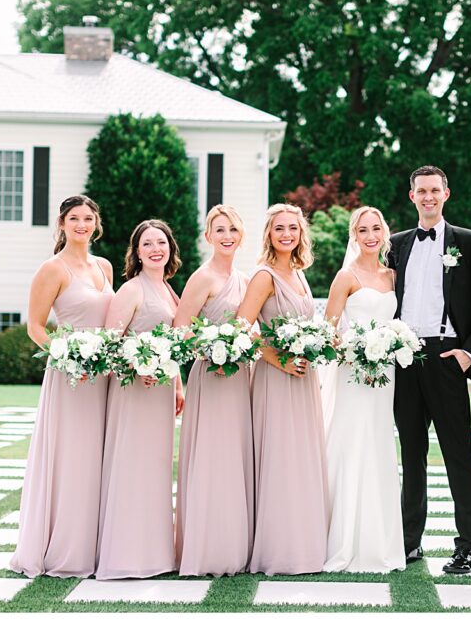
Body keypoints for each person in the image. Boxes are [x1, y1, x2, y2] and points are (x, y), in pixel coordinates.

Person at [388, 165, 471, 574]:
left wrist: (468, 353)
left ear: (446, 194)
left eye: (435, 190)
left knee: (458, 455)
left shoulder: (469, 243)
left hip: (448, 359)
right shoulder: (396, 244)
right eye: (422, 191)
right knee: (411, 455)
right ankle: (408, 542)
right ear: (412, 195)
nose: (429, 197)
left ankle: (467, 545)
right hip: (404, 360)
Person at [10, 195, 114, 578]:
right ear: (62, 223)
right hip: (71, 376)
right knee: (72, 457)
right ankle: (63, 549)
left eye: (88, 218)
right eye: (74, 218)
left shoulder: (104, 267)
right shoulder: (52, 269)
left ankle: (95, 545)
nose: (82, 225)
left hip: (104, 375)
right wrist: (69, 356)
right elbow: (35, 327)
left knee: (99, 458)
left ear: (96, 223)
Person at [237, 203, 329, 575]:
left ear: (300, 233)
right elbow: (242, 327)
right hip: (276, 378)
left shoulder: (298, 273)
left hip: (304, 380)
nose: (287, 234)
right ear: (269, 235)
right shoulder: (264, 276)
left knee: (300, 458)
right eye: (279, 229)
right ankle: (278, 550)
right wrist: (279, 360)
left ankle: (304, 542)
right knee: (279, 458)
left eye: (293, 227)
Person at [95, 219, 185, 580]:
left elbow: (175, 342)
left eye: (160, 242)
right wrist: (136, 366)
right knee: (133, 466)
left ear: (170, 248)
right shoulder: (131, 290)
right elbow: (110, 343)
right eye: (146, 244)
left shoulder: (168, 290)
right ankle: (127, 555)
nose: (155, 249)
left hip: (162, 391)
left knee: (157, 468)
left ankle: (156, 552)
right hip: (134, 390)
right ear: (136, 252)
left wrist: (178, 385)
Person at [321, 206, 406, 573]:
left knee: (379, 445)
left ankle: (378, 540)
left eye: (375, 228)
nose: (370, 236)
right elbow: (329, 329)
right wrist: (358, 357)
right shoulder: (346, 275)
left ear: (384, 232)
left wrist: (386, 351)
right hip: (354, 375)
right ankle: (342, 541)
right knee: (351, 443)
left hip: (384, 376)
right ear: (354, 236)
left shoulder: (392, 276)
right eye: (362, 230)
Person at [173, 205, 253, 576]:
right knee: (211, 456)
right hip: (211, 375)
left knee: (235, 457)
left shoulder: (244, 278)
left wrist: (241, 343)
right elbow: (181, 329)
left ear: (241, 235)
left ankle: (235, 544)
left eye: (233, 229)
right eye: (219, 230)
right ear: (208, 236)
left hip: (239, 378)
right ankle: (207, 549)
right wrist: (212, 344)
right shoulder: (202, 278)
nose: (227, 236)